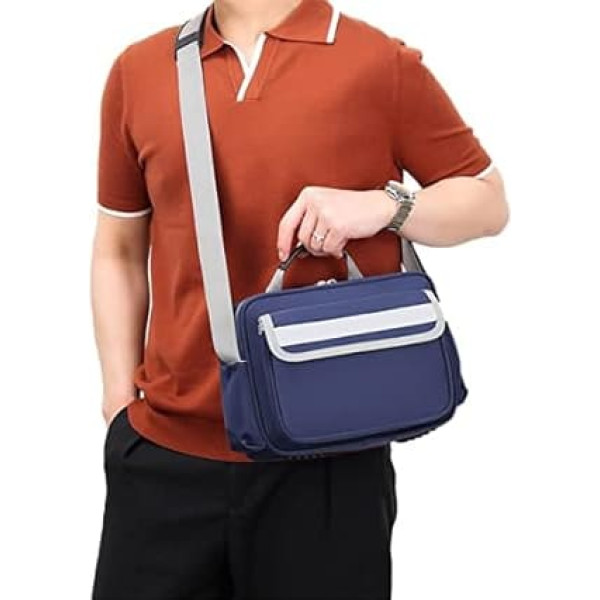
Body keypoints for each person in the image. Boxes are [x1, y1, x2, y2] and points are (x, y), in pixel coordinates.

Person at [90, 0, 508, 598]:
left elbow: (488, 203)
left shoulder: (376, 62)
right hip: (161, 458)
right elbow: (118, 248)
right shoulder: (139, 70)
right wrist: (118, 406)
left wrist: (384, 207)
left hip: (330, 462)